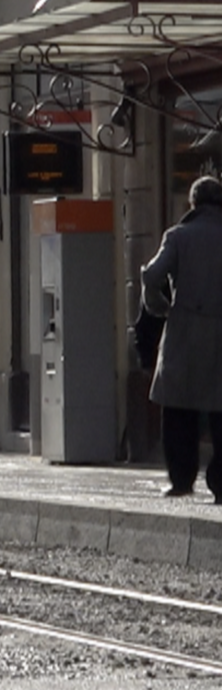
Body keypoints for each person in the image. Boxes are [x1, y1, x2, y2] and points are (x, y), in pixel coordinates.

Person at [141, 174, 222, 502]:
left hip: (185, 331)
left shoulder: (178, 236)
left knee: (177, 410)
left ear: (193, 203)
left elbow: (153, 274)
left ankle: (181, 480)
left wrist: (161, 307)